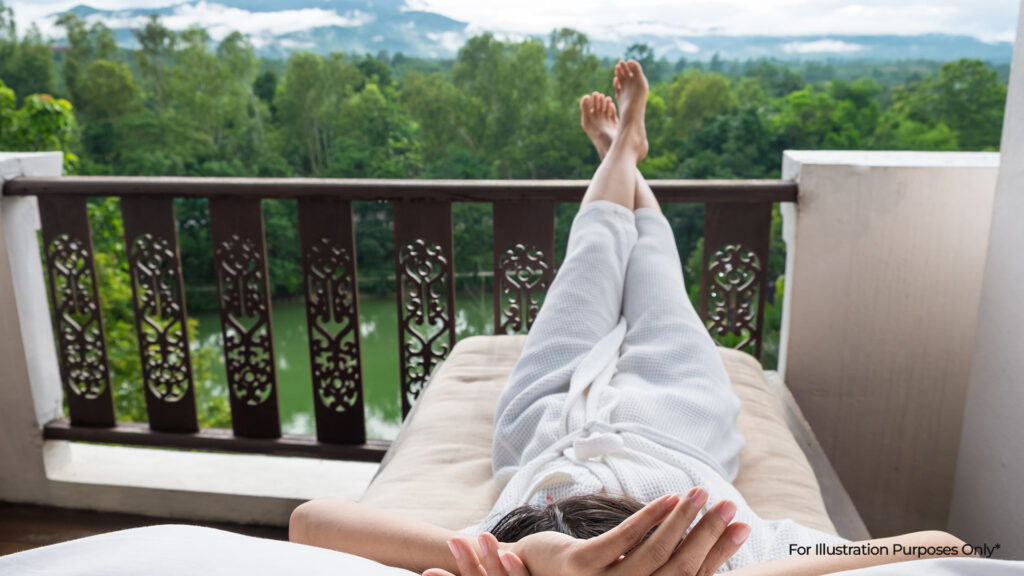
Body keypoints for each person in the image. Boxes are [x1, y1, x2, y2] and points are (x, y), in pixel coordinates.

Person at [289, 59, 966, 576]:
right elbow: (944, 547)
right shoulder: (735, 551)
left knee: (593, 252)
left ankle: (618, 152)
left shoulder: (504, 561)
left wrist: (528, 557)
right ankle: (623, 151)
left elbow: (310, 522)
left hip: (544, 424)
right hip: (679, 423)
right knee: (655, 269)